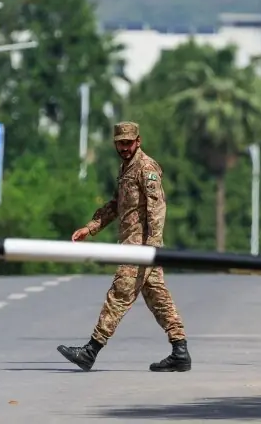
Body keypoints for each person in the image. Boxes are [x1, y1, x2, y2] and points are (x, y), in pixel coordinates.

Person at [56, 121, 191, 372]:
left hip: (141, 248)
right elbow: (118, 204)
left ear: (138, 141)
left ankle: (91, 350)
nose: (125, 148)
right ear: (115, 143)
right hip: (136, 246)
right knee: (159, 299)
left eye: (129, 143)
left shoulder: (146, 167)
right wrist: (91, 226)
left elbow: (157, 209)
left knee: (119, 295)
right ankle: (180, 351)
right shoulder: (126, 167)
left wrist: (151, 249)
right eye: (121, 143)